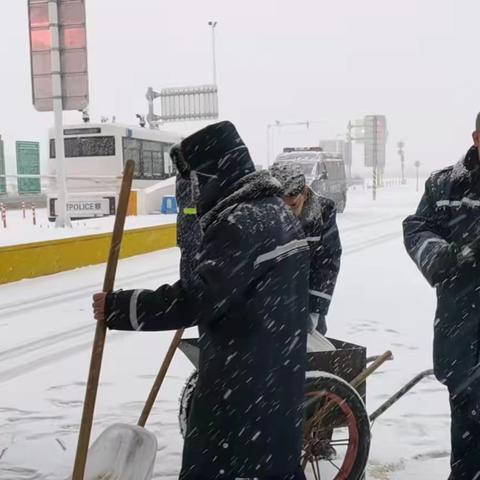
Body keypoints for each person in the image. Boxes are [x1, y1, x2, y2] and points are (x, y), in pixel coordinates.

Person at [93, 121, 310, 480]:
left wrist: (122, 307)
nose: (192, 192)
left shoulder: (239, 223)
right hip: (276, 378)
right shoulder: (275, 212)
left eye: (194, 180)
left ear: (213, 175)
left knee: (215, 468)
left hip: (239, 386)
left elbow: (197, 299)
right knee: (275, 467)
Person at [403, 114, 480, 480]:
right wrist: (445, 258)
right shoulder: (444, 185)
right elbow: (417, 227)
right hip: (462, 323)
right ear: (476, 138)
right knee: (467, 408)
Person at [269, 162, 342, 336]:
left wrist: (315, 310)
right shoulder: (264, 214)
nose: (288, 213)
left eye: (293, 205)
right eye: (281, 206)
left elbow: (327, 262)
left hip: (307, 296)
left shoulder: (323, 212)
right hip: (271, 301)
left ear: (305, 193)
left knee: (312, 352)